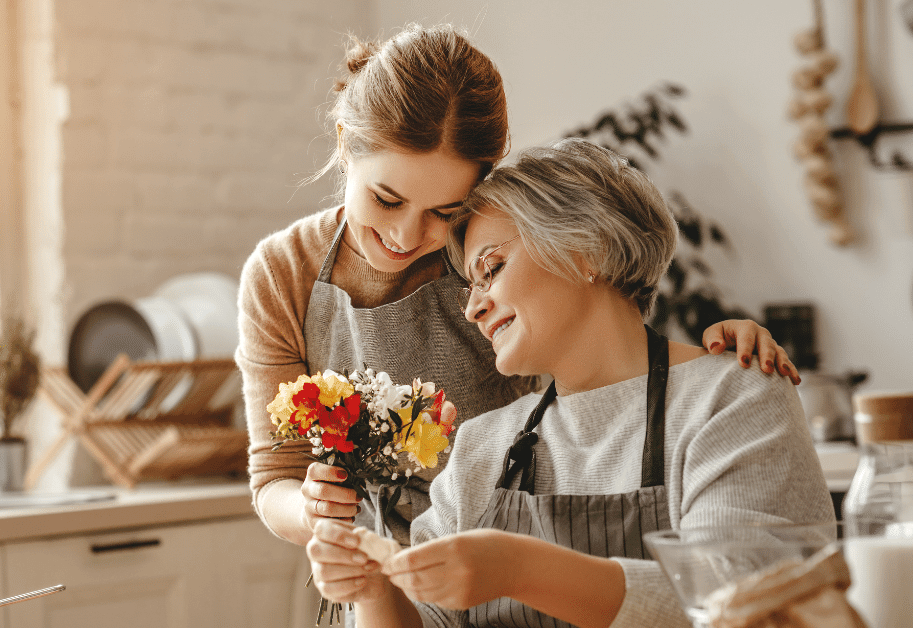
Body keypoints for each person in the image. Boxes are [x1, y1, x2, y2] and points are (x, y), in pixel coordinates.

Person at [236, 24, 801, 550]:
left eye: (445, 210)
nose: (407, 235)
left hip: (508, 551)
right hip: (375, 572)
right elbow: (274, 476)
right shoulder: (283, 274)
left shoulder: (488, 246)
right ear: (344, 144)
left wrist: (709, 361)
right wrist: (316, 511)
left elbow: (602, 363)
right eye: (386, 199)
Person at [304, 138, 835, 628]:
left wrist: (519, 568)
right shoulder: (482, 446)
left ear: (587, 249)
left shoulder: (732, 398)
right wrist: (371, 587)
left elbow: (746, 603)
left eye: (491, 268)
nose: (472, 307)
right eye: (469, 284)